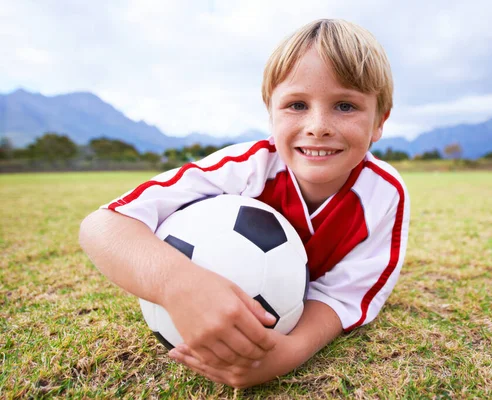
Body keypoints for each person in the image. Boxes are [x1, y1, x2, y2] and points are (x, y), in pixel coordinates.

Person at [79, 18, 410, 388]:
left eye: (345, 106)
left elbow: (343, 296)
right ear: (270, 113)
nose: (318, 125)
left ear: (379, 121)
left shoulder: (384, 194)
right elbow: (103, 224)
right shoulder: (245, 168)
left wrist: (289, 352)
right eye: (297, 105)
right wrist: (176, 283)